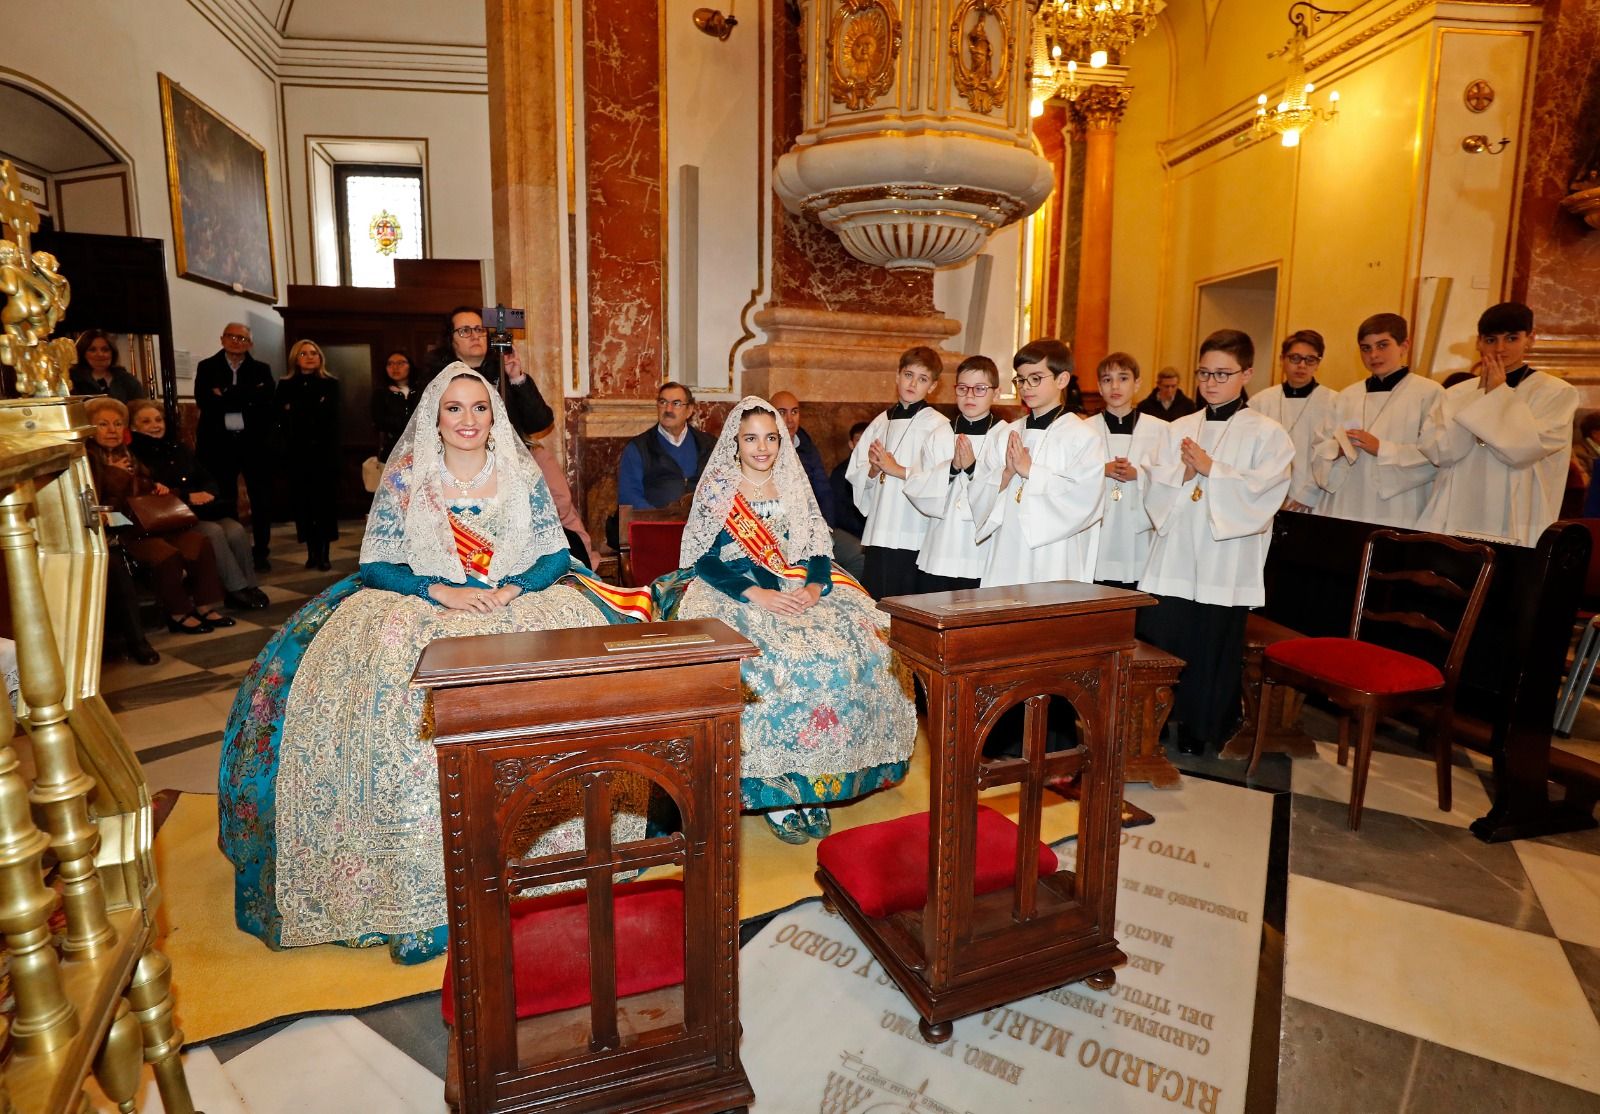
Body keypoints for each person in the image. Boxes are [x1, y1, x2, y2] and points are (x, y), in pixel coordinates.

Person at [218, 366, 650, 963]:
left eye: (479, 407)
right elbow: (377, 564)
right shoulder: (406, 478)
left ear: (495, 414)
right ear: (434, 417)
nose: (468, 419)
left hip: (513, 602)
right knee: (400, 702)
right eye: (454, 408)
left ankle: (550, 861)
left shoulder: (520, 472)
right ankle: (418, 890)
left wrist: (514, 589)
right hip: (425, 603)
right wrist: (439, 592)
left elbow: (555, 552)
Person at [652, 397, 916, 844]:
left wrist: (815, 589)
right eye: (751, 439)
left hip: (797, 586)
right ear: (735, 443)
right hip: (734, 590)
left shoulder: (794, 484)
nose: (762, 448)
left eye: (770, 438)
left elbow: (817, 549)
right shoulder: (719, 489)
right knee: (764, 663)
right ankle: (774, 792)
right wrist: (755, 594)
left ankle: (814, 782)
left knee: (861, 646)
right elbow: (704, 560)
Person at [1138, 330, 1294, 756]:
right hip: (1176, 553)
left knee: (1210, 644)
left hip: (1224, 557)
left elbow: (1266, 492)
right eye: (1204, 372)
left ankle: (1201, 726)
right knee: (1167, 638)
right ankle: (1158, 722)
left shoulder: (1268, 433)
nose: (1210, 382)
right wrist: (1182, 476)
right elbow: (1154, 482)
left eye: (1222, 374)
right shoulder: (1179, 428)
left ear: (1247, 373)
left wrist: (1212, 469)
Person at [1419, 302, 1577, 546]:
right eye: (1491, 340)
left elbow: (1523, 452)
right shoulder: (1455, 393)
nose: (1500, 349)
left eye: (1511, 338)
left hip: (1516, 512)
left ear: (1530, 339)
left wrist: (1497, 395)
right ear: (1479, 343)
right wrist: (1480, 395)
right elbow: (1440, 452)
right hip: (1457, 507)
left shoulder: (1556, 393)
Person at [83, 397, 234, 636]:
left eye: (117, 424)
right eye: (103, 424)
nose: (112, 430)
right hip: (123, 531)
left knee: (198, 543)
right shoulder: (88, 459)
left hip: (149, 523)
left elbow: (143, 484)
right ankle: (178, 613)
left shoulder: (128, 453)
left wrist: (157, 487)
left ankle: (204, 606)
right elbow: (101, 504)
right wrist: (117, 474)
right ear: (89, 429)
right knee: (166, 554)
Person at [970, 339, 1105, 588]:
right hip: (1007, 548)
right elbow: (978, 488)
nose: (1026, 387)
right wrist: (1006, 475)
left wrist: (1031, 470)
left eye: (1036, 378)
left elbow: (1085, 498)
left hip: (1053, 553)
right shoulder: (1004, 434)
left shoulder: (1083, 437)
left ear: (1062, 380)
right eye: (1020, 379)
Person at [127, 398, 267, 611]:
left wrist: (208, 492)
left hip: (203, 509)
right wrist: (188, 496)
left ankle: (250, 585)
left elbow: (204, 475)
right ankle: (236, 588)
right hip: (175, 516)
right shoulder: (135, 455)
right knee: (213, 532)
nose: (155, 425)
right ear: (134, 427)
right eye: (146, 422)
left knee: (236, 530)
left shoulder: (177, 447)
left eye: (158, 420)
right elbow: (153, 491)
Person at [1311, 313, 1444, 528]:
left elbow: (1437, 454)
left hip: (1399, 509)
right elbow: (1319, 447)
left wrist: (1382, 448)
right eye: (1366, 348)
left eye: (1383, 345)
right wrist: (1337, 450)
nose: (1374, 355)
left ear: (1404, 346)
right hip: (1347, 503)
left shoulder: (1429, 393)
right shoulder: (1347, 396)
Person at [846, 346, 954, 598]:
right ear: (897, 376)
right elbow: (855, 473)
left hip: (913, 532)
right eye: (908, 375)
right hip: (879, 529)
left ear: (933, 386)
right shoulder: (880, 422)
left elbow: (942, 484)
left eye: (922, 379)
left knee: (906, 607)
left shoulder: (937, 427)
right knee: (876, 605)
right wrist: (872, 471)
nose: (913, 383)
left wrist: (898, 470)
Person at [906, 355, 1005, 592]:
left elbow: (1008, 490)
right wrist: (950, 469)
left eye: (980, 389)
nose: (969, 395)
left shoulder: (1005, 436)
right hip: (942, 545)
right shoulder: (938, 435)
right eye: (963, 388)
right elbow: (916, 485)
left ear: (996, 393)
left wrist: (973, 468)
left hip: (982, 549)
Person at [194, 322, 276, 571]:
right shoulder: (207, 367)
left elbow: (264, 403)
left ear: (249, 343)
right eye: (231, 336)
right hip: (219, 445)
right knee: (226, 497)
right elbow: (205, 401)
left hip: (253, 444)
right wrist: (246, 395)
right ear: (222, 339)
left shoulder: (261, 369)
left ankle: (261, 552)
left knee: (260, 499)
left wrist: (227, 394)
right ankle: (232, 550)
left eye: (241, 338)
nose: (236, 341)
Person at [1086, 352, 1165, 590]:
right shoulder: (1084, 430)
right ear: (1099, 387)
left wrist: (1140, 475)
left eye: (1123, 378)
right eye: (1107, 380)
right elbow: (1069, 477)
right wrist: (1101, 470)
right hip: (1099, 530)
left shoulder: (1161, 430)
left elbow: (1172, 478)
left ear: (1137, 384)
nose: (1115, 386)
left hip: (1139, 532)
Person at [419, 307, 554, 439]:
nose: (475, 336)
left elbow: (539, 423)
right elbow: (425, 429)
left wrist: (516, 378)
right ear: (450, 340)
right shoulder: (438, 379)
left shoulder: (504, 372)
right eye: (465, 331)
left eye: (479, 329)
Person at [1248, 330, 1338, 513]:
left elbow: (1337, 456)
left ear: (1318, 363)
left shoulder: (1334, 403)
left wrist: (1309, 494)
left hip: (1317, 500)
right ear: (1282, 360)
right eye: (1295, 358)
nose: (1302, 365)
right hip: (1266, 496)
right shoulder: (1261, 402)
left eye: (1310, 359)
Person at [276, 340, 341, 571]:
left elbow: (330, 419)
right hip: (297, 455)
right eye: (304, 353)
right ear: (296, 357)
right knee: (303, 506)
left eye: (314, 352)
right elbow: (282, 419)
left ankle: (324, 553)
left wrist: (298, 409)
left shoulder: (330, 384)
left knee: (324, 506)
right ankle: (311, 552)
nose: (310, 357)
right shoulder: (285, 385)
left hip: (323, 455)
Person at [616, 381, 715, 525]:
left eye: (676, 403)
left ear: (689, 410)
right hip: (655, 528)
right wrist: (661, 520)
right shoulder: (638, 448)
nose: (668, 409)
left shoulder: (709, 445)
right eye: (663, 402)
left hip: (702, 528)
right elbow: (629, 496)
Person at [771, 390, 835, 526]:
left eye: (794, 412)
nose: (790, 420)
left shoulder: (806, 445)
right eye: (782, 412)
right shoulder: (764, 450)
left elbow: (823, 491)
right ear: (770, 416)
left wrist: (827, 529)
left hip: (811, 522)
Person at [829, 421, 869, 579]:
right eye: (859, 440)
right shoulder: (841, 473)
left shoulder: (880, 470)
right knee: (860, 554)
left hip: (870, 532)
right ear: (851, 444)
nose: (863, 445)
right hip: (851, 533)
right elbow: (840, 513)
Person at [69, 330, 146, 401]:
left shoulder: (127, 380)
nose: (100, 354)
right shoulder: (72, 381)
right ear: (82, 353)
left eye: (105, 350)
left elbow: (140, 409)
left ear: (112, 353)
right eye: (92, 350)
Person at [372, 349, 418, 462]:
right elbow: (379, 421)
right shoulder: (381, 393)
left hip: (420, 448)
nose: (395, 367)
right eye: (390, 364)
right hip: (393, 449)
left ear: (410, 366)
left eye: (400, 363)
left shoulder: (421, 390)